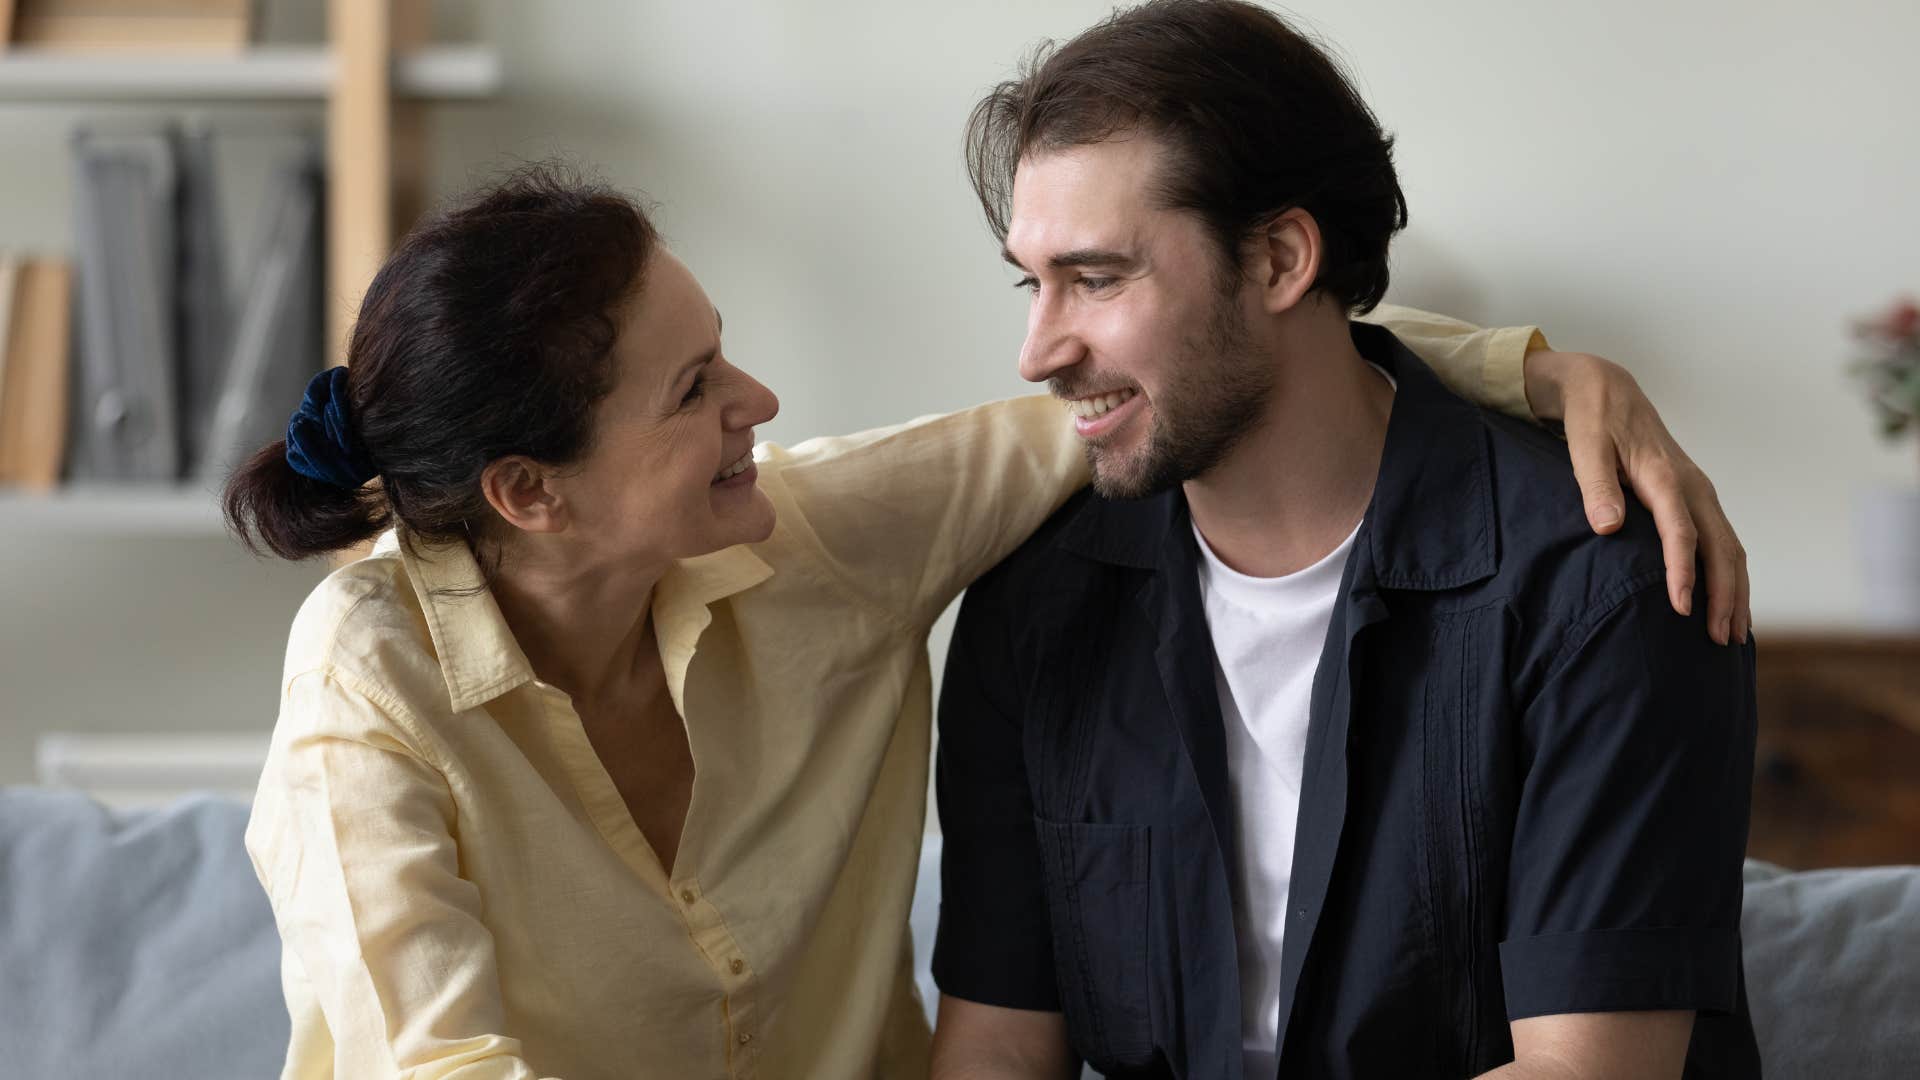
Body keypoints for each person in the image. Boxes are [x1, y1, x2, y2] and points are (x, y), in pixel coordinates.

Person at [226, 123, 1746, 1080]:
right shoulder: (368, 689)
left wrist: (1541, 370)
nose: (761, 399)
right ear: (529, 494)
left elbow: (1192, 374)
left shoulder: (816, 541)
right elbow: (440, 1061)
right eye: (696, 391)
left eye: (726, 349)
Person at [928, 3, 1759, 1078]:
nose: (1038, 351)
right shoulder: (1038, 605)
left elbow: (1587, 1071)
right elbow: (995, 1053)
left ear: (1279, 258)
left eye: (1095, 279)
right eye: (1029, 282)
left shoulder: (1603, 584)